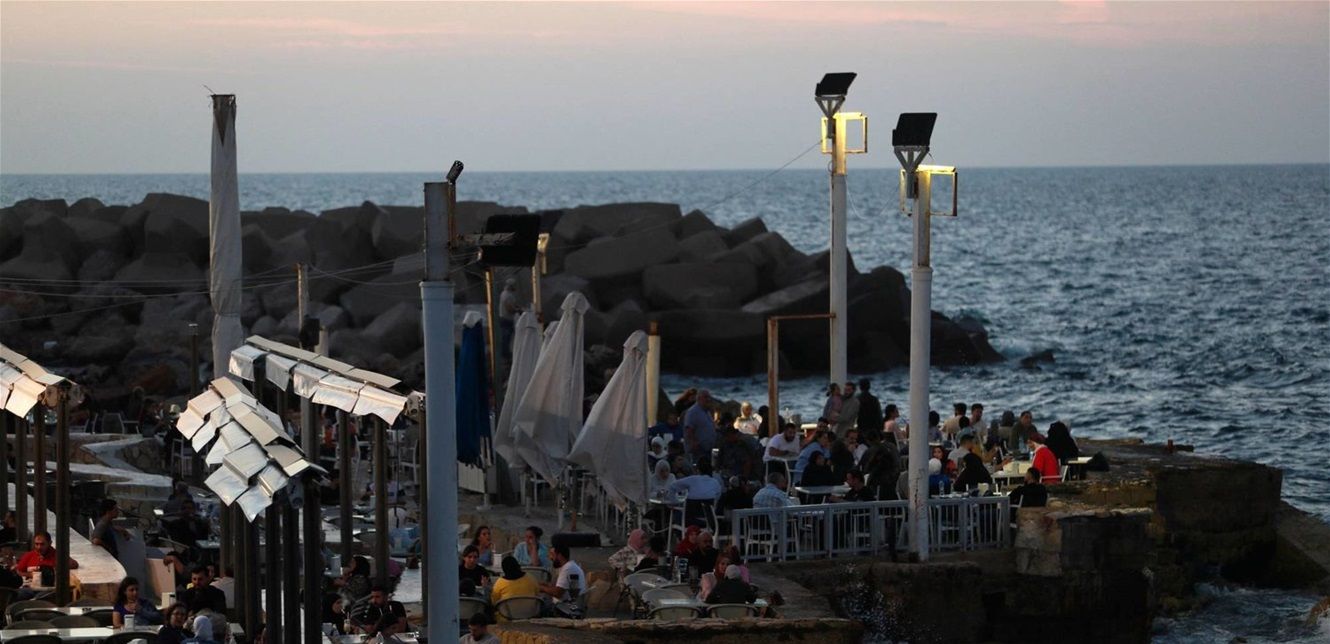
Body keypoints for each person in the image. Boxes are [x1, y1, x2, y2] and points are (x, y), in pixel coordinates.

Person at [861, 431, 902, 500]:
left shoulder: (872, 451)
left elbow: (866, 468)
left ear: (868, 441)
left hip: (879, 482)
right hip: (894, 480)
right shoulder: (892, 446)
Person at [14, 530, 78, 574]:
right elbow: (19, 571)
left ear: (50, 543)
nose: (39, 547)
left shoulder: (57, 555)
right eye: (37, 544)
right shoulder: (29, 555)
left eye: (42, 544)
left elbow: (74, 564)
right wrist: (32, 575)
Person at [683, 389, 717, 461]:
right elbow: (689, 428)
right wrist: (694, 442)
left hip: (708, 450)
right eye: (705, 397)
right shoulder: (693, 412)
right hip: (698, 450)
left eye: (709, 397)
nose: (708, 399)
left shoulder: (706, 411)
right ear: (698, 398)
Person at [498, 278, 521, 360]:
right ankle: (505, 355)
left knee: (507, 337)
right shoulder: (507, 295)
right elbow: (509, 308)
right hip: (506, 319)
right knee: (506, 338)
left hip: (506, 318)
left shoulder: (506, 294)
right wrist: (518, 310)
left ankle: (506, 354)